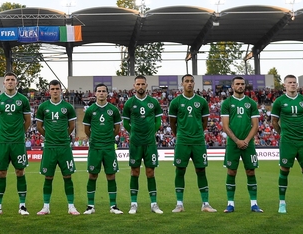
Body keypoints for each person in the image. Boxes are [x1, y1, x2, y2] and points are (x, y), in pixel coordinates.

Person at [271, 75, 303, 214]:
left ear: (297, 85)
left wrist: (301, 132)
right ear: (284, 85)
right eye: (290, 82)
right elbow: (274, 122)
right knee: (284, 170)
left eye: (294, 82)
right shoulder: (279, 101)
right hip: (287, 141)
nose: (292, 84)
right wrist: (283, 133)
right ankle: (282, 203)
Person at [168, 74, 216, 213]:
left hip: (198, 141)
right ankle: (179, 204)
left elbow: (204, 122)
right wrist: (179, 135)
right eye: (186, 81)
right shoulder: (175, 102)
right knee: (180, 170)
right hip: (182, 141)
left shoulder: (201, 101)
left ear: (194, 84)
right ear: (182, 84)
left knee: (201, 170)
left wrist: (197, 133)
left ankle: (205, 204)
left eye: (191, 81)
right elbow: (172, 122)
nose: (189, 83)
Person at [0, 72, 32, 216]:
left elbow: (28, 120)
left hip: (18, 142)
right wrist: (2, 133)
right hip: (3, 142)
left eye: (13, 79)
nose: (10, 82)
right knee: (1, 173)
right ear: (4, 83)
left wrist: (19, 133)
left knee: (20, 172)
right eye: (8, 80)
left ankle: (22, 206)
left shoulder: (23, 100)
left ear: (16, 83)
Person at [35, 80, 79, 215]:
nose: (55, 91)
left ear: (61, 90)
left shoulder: (68, 107)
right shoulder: (43, 107)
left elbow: (72, 126)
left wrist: (63, 136)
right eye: (52, 89)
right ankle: (46, 207)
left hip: (64, 147)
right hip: (49, 147)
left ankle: (71, 206)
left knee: (68, 176)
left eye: (57, 88)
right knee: (48, 177)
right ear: (49, 91)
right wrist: (49, 136)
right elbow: (39, 127)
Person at [220, 76, 262, 213]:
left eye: (242, 84)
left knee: (251, 171)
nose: (240, 86)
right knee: (231, 171)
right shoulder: (227, 103)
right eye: (237, 84)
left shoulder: (251, 103)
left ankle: (254, 204)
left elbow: (255, 126)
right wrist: (237, 141)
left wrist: (246, 140)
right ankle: (230, 204)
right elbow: (225, 126)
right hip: (232, 144)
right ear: (232, 86)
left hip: (248, 144)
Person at [122, 75, 163, 214]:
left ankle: (154, 204)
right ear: (134, 86)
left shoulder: (153, 102)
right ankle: (133, 204)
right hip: (135, 143)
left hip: (150, 143)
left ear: (146, 85)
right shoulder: (129, 103)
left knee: (150, 172)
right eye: (138, 84)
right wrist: (134, 133)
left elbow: (158, 121)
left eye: (142, 84)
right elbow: (126, 123)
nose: (140, 86)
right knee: (135, 171)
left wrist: (152, 132)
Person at [82, 83, 123, 215]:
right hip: (95, 147)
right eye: (99, 91)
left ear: (107, 93)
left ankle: (113, 206)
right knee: (92, 175)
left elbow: (117, 129)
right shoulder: (90, 110)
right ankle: (90, 206)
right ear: (95, 93)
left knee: (111, 175)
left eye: (103, 91)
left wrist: (108, 138)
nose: (101, 93)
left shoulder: (113, 110)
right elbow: (86, 129)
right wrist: (95, 138)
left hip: (109, 147)